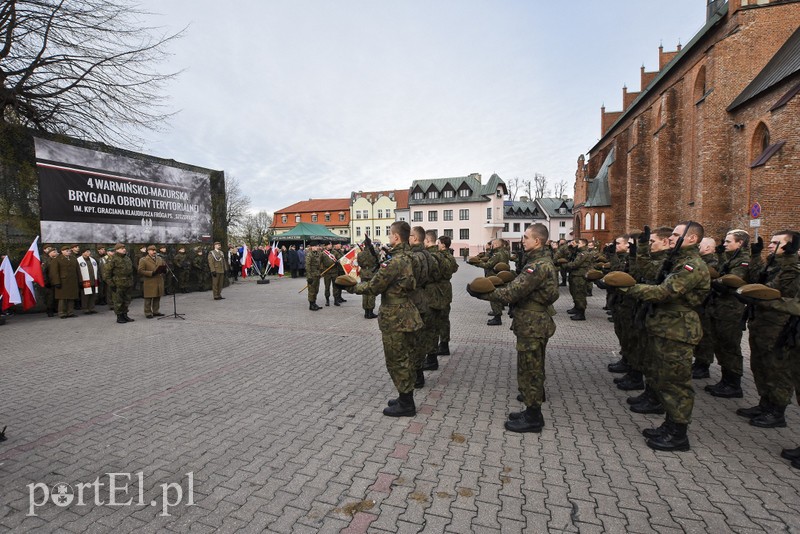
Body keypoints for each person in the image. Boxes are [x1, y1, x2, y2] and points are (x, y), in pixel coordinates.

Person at [621, 221, 710, 452]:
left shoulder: (692, 266)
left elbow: (664, 292)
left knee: (676, 383)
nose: (671, 237)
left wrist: (627, 288)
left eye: (676, 235)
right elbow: (650, 273)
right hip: (666, 328)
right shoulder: (677, 261)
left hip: (678, 331)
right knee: (663, 378)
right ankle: (670, 425)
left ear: (691, 239)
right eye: (671, 234)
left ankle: (678, 434)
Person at [466, 223, 559, 433]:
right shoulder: (538, 261)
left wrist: (481, 293)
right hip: (532, 321)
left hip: (532, 324)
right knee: (532, 366)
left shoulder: (537, 266)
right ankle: (530, 409)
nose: (522, 240)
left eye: (526, 237)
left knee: (530, 369)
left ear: (538, 241)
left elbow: (512, 293)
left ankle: (534, 417)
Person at [346, 221, 422, 417]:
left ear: (396, 237)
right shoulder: (413, 257)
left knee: (396, 359)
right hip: (409, 312)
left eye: (390, 234)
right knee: (407, 356)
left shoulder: (395, 261)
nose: (389, 237)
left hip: (395, 315)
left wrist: (352, 287)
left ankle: (406, 403)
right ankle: (405, 396)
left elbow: (374, 286)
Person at [739, 230, 800, 428]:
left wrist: (790, 257)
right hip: (762, 323)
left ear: (790, 247)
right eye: (771, 242)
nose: (771, 246)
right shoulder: (775, 266)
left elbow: (786, 293)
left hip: (777, 326)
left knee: (777, 369)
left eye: (776, 243)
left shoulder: (792, 269)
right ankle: (765, 403)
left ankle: (777, 411)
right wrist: (756, 256)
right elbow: (758, 278)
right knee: (760, 365)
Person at [705, 230, 752, 398]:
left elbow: (732, 280)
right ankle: (725, 380)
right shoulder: (729, 258)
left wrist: (715, 281)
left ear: (739, 243)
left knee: (730, 346)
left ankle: (734, 384)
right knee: (720, 344)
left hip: (731, 309)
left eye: (728, 241)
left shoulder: (743, 261)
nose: (724, 244)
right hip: (720, 308)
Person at [691, 237, 720, 379]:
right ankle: (698, 362)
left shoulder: (712, 262)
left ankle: (703, 365)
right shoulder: (702, 260)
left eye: (699, 246)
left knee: (706, 336)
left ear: (708, 248)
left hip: (708, 305)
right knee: (700, 335)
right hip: (701, 304)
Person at [475, 239, 510, 325]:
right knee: (499, 295)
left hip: (494, 277)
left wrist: (476, 263)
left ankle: (497, 317)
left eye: (493, 244)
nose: (492, 246)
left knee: (493, 297)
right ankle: (497, 314)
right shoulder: (505, 252)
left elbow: (488, 265)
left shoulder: (497, 254)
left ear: (497, 244)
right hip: (501, 276)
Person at [104, 243, 135, 324]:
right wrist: (111, 284)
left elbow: (131, 271)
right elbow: (106, 274)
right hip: (118, 284)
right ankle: (119, 316)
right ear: (116, 250)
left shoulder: (127, 258)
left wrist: (132, 281)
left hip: (128, 283)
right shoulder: (112, 259)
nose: (124, 249)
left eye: (124, 248)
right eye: (121, 248)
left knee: (127, 300)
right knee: (118, 301)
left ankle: (125, 315)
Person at [564, 239, 592, 321]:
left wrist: (566, 265)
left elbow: (575, 264)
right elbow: (571, 257)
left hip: (580, 276)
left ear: (583, 244)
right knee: (574, 292)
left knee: (579, 294)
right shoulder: (578, 252)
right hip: (575, 275)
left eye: (578, 243)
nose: (576, 245)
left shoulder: (584, 253)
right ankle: (576, 307)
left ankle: (581, 313)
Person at [50, 245, 79, 318]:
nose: (68, 252)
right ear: (62, 251)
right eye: (66, 251)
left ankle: (70, 312)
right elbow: (54, 272)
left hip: (72, 280)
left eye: (69, 251)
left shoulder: (73, 258)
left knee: (71, 297)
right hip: (63, 281)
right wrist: (56, 282)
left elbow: (78, 270)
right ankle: (62, 313)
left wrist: (80, 280)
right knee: (62, 298)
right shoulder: (57, 259)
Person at [138, 245, 166, 318]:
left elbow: (164, 266)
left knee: (157, 297)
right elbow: (140, 270)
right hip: (149, 281)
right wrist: (151, 273)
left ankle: (156, 311)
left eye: (155, 250)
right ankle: (148, 312)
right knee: (148, 298)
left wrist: (165, 270)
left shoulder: (160, 258)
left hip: (159, 280)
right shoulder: (143, 260)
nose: (154, 251)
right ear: (148, 251)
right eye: (152, 250)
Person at [357, 240, 378, 319]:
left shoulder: (360, 254)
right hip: (372, 273)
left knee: (364, 292)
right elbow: (377, 261)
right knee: (371, 292)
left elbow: (359, 263)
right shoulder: (374, 253)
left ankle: (366, 312)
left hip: (363, 273)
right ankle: (370, 312)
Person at [76, 247, 99, 314]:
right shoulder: (78, 260)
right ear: (83, 253)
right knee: (85, 296)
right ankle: (85, 309)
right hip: (85, 280)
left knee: (92, 295)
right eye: (87, 251)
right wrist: (80, 281)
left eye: (89, 251)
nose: (89, 253)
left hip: (93, 280)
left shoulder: (92, 260)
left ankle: (91, 308)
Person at [305, 241, 323, 310]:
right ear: (311, 247)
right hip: (312, 275)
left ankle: (314, 303)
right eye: (315, 246)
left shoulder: (318, 253)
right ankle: (311, 304)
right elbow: (307, 266)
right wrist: (309, 276)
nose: (317, 247)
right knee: (311, 290)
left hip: (317, 275)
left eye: (317, 246)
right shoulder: (309, 254)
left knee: (316, 290)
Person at [42, 246, 59, 317]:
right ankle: (49, 310)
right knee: (50, 297)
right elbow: (44, 272)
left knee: (56, 296)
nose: (56, 253)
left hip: (57, 281)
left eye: (56, 252)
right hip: (49, 282)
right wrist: (46, 281)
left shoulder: (58, 260)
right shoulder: (47, 261)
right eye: (54, 252)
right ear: (50, 253)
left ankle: (56, 309)